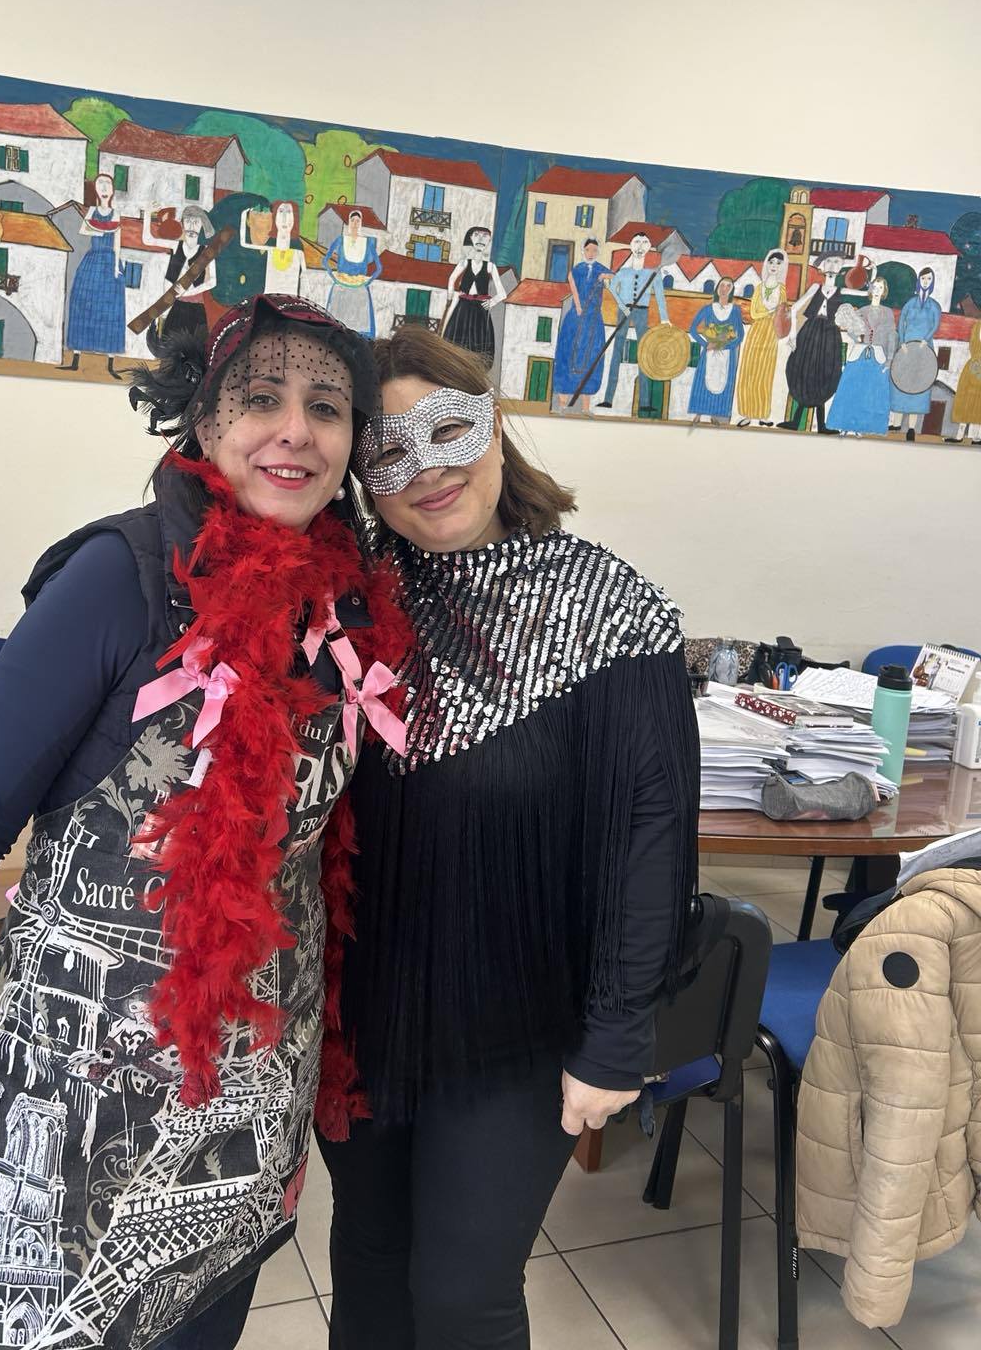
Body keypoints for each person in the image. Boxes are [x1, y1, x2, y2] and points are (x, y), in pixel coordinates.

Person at [0, 295, 408, 1350]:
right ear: (202, 419)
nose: (296, 429)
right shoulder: (117, 580)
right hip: (76, 1114)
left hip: (247, 1109)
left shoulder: (346, 611)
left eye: (326, 407)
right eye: (261, 398)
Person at [318, 325, 700, 1349]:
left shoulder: (609, 606)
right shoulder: (348, 600)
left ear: (493, 427)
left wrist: (617, 1032)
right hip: (361, 1009)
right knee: (368, 1256)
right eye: (386, 450)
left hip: (519, 1020)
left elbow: (651, 832)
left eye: (448, 430)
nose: (427, 470)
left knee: (462, 1292)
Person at [64, 171, 131, 375]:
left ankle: (110, 364)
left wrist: (117, 266)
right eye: (100, 183)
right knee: (81, 304)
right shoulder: (92, 210)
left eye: (107, 184)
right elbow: (84, 230)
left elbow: (117, 242)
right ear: (95, 188)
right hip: (92, 259)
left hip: (110, 262)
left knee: (112, 310)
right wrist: (101, 228)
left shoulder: (116, 214)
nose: (104, 187)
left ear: (112, 190)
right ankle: (75, 358)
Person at [597, 231, 671, 410]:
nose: (640, 247)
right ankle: (608, 399)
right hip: (623, 312)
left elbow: (660, 296)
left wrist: (664, 318)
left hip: (642, 312)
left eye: (644, 243)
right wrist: (622, 306)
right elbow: (612, 288)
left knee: (643, 353)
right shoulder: (623, 272)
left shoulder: (653, 273)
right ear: (631, 245)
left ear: (649, 247)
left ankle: (644, 402)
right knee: (617, 351)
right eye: (637, 242)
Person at [781, 255, 849, 433]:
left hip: (830, 336)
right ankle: (795, 422)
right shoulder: (815, 287)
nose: (832, 265)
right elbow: (794, 309)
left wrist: (872, 271)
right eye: (829, 261)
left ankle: (821, 426)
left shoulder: (842, 290)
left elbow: (867, 293)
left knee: (824, 374)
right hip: (810, 333)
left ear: (841, 267)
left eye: (836, 262)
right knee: (804, 371)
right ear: (822, 266)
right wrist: (793, 334)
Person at [827, 273, 897, 437]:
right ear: (870, 289)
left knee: (870, 393)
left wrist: (890, 359)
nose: (877, 290)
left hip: (878, 357)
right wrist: (856, 337)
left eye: (880, 288)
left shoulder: (887, 312)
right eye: (875, 287)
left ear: (884, 291)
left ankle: (861, 427)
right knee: (851, 389)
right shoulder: (862, 311)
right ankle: (844, 425)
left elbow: (892, 336)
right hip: (859, 354)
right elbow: (852, 329)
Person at [138, 201, 220, 337]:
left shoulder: (207, 252)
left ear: (201, 226)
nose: (191, 226)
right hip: (172, 307)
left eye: (196, 222)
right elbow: (147, 239)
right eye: (188, 221)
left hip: (195, 308)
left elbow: (213, 281)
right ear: (182, 224)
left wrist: (189, 292)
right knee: (166, 339)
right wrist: (147, 214)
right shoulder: (176, 246)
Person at [553, 237, 608, 414]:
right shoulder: (576, 270)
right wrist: (578, 307)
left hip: (594, 321)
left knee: (591, 358)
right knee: (567, 355)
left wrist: (604, 276)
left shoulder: (600, 268)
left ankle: (585, 408)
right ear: (583, 251)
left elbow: (614, 276)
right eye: (588, 250)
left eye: (594, 250)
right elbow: (573, 287)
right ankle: (562, 404)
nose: (591, 253)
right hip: (576, 319)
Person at [441, 226, 507, 368]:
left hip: (480, 310)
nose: (481, 239)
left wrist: (492, 302)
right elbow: (451, 279)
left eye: (485, 236)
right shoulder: (465, 262)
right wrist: (450, 298)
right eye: (477, 235)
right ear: (471, 238)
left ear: (489, 240)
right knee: (457, 340)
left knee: (478, 343)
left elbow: (503, 293)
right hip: (463, 307)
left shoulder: (490, 267)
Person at [735, 248, 788, 426]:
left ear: (782, 267)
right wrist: (770, 311)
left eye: (778, 263)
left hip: (771, 333)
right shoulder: (759, 288)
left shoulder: (781, 290)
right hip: (757, 331)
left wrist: (774, 312)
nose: (774, 266)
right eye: (771, 262)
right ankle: (746, 413)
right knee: (749, 370)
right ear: (767, 264)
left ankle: (762, 413)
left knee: (765, 372)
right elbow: (754, 313)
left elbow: (782, 313)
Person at [890, 267, 942, 441]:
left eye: (929, 279)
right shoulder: (910, 303)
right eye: (923, 278)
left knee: (919, 384)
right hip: (906, 348)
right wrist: (902, 342)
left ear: (932, 282)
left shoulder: (934, 306)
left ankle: (911, 428)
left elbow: (935, 325)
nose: (925, 281)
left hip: (923, 349)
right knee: (900, 381)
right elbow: (901, 322)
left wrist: (926, 340)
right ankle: (896, 423)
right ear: (919, 280)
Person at [688, 276, 745, 424]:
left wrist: (725, 346)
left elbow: (740, 335)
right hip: (709, 352)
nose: (724, 289)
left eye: (728, 286)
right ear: (717, 288)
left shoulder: (735, 310)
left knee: (723, 381)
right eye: (722, 285)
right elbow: (693, 329)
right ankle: (698, 414)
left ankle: (715, 414)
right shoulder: (707, 309)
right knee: (703, 382)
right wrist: (705, 344)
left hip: (727, 353)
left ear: (731, 290)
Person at [323, 208, 384, 337]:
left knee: (359, 329)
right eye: (353, 220)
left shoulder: (368, 243)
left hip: (359, 291)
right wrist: (333, 277)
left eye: (358, 221)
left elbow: (379, 267)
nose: (355, 224)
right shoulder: (340, 240)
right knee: (336, 328)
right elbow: (325, 261)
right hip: (341, 289)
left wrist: (368, 281)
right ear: (349, 222)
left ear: (361, 223)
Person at [240, 200, 307, 293]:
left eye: (289, 212)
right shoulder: (269, 244)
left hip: (290, 291)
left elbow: (303, 275)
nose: (284, 218)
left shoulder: (297, 245)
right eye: (281, 212)